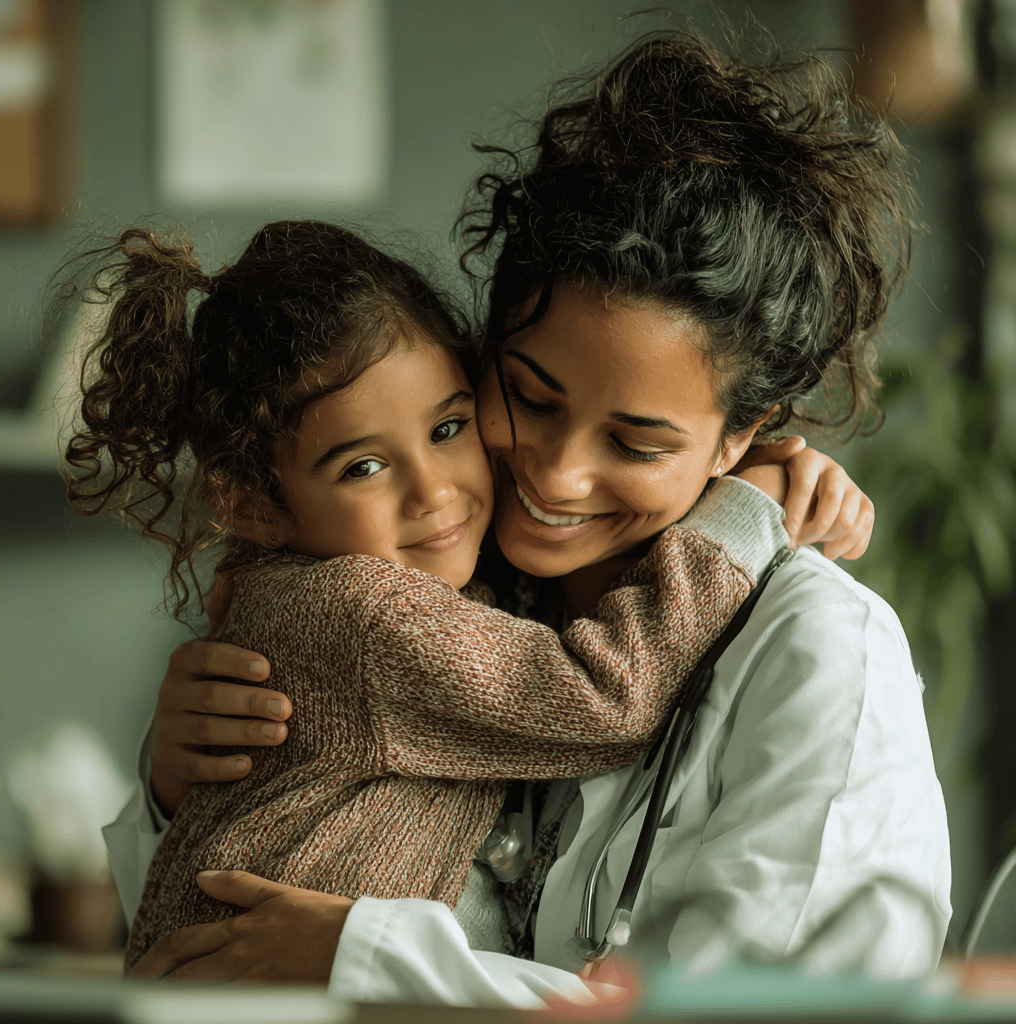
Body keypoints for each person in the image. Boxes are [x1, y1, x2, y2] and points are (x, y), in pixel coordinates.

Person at [111, 30, 949, 1004]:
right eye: (530, 396)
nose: (555, 473)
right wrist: (176, 779)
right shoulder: (457, 589)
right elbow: (216, 938)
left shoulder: (819, 653)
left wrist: (369, 951)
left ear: (742, 437)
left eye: (636, 442)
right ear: (482, 348)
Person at [62, 220, 819, 970]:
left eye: (449, 427)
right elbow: (603, 699)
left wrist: (755, 458)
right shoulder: (363, 609)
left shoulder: (336, 574)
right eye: (362, 467)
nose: (435, 492)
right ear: (254, 504)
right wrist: (745, 506)